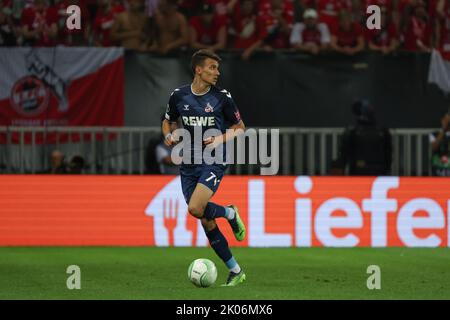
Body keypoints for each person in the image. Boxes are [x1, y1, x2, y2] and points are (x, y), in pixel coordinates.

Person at [161, 49, 247, 286]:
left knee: (196, 207)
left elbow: (240, 127)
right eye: (212, 68)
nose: (216, 73)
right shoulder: (178, 96)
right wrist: (168, 135)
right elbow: (167, 119)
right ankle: (236, 270)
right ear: (198, 70)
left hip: (214, 158)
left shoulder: (222, 97)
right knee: (203, 217)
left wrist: (219, 139)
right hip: (188, 161)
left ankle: (231, 214)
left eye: (217, 68)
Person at [337, 99, 392, 175]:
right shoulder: (382, 131)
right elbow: (388, 154)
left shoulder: (352, 131)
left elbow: (343, 155)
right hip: (378, 170)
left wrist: (341, 171)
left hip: (359, 170)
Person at [429, 112, 450, 176]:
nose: (447, 122)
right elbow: (434, 147)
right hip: (438, 167)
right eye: (445, 120)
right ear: (442, 120)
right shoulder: (434, 134)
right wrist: (444, 129)